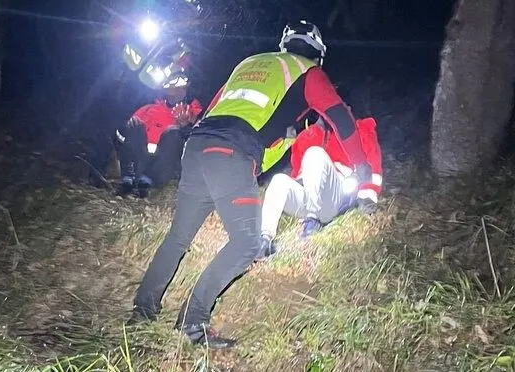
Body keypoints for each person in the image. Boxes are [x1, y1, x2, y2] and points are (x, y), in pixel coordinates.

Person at [129, 20, 373, 348]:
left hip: (198, 146)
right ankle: (192, 321)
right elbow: (341, 119)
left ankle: (142, 311)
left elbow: (219, 109)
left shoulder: (250, 64)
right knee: (246, 245)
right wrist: (362, 169)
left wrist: (267, 154)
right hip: (231, 150)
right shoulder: (308, 72)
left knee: (177, 238)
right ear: (318, 54)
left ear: (284, 45)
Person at [256, 116, 384, 259]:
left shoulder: (358, 130)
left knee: (315, 153)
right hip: (310, 200)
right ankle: (263, 241)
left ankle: (312, 224)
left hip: (337, 198)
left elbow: (373, 168)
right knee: (279, 180)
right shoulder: (306, 136)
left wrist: (366, 198)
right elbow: (297, 172)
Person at [115, 92, 203, 197]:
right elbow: (121, 136)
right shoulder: (148, 109)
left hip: (165, 167)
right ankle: (128, 180)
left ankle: (149, 182)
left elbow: (200, 140)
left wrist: (185, 127)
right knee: (137, 128)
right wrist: (126, 128)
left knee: (174, 132)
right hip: (140, 162)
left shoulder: (192, 113)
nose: (174, 88)